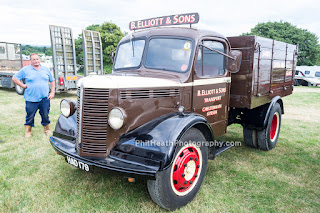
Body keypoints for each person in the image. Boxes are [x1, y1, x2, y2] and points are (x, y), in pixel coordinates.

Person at [12, 53, 55, 138]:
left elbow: (52, 81)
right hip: (31, 98)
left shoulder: (45, 69)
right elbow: (14, 78)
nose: (36, 61)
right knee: (30, 116)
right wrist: (23, 86)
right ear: (30, 61)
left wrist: (52, 92)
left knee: (45, 115)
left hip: (44, 98)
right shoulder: (25, 70)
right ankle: (28, 131)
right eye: (34, 59)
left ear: (39, 60)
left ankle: (47, 129)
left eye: (37, 59)